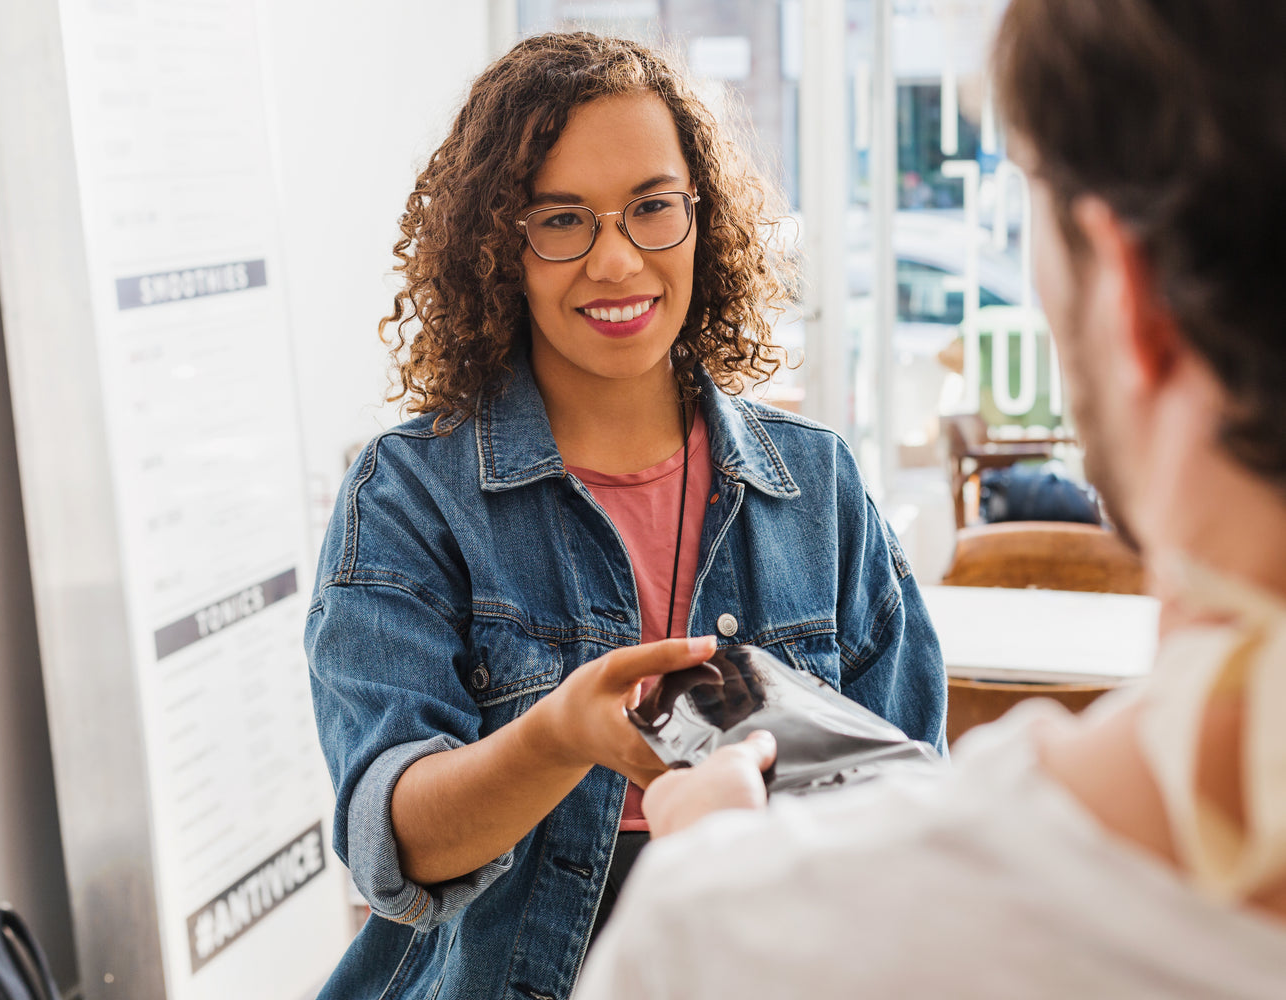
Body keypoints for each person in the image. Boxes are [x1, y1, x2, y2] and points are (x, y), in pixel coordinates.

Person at [574, 2, 1286, 997]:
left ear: (1131, 295)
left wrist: (727, 874)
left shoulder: (727, 937)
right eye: (564, 220)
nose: (613, 258)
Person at [305, 31, 946, 1000]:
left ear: (701, 218)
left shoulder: (817, 488)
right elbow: (394, 849)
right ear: (498, 245)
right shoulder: (409, 497)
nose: (616, 259)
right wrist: (555, 736)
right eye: (562, 219)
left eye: (652, 208)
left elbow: (912, 819)